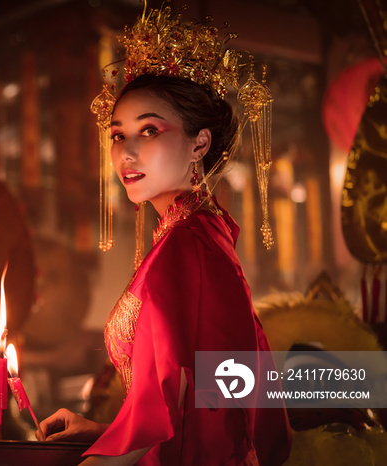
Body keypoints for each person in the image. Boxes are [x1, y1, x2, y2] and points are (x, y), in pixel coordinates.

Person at [36, 5, 292, 466]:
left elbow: (197, 402)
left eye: (149, 130)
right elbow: (205, 397)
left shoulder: (187, 244)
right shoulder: (201, 232)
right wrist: (104, 431)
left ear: (200, 143)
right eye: (118, 135)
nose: (127, 152)